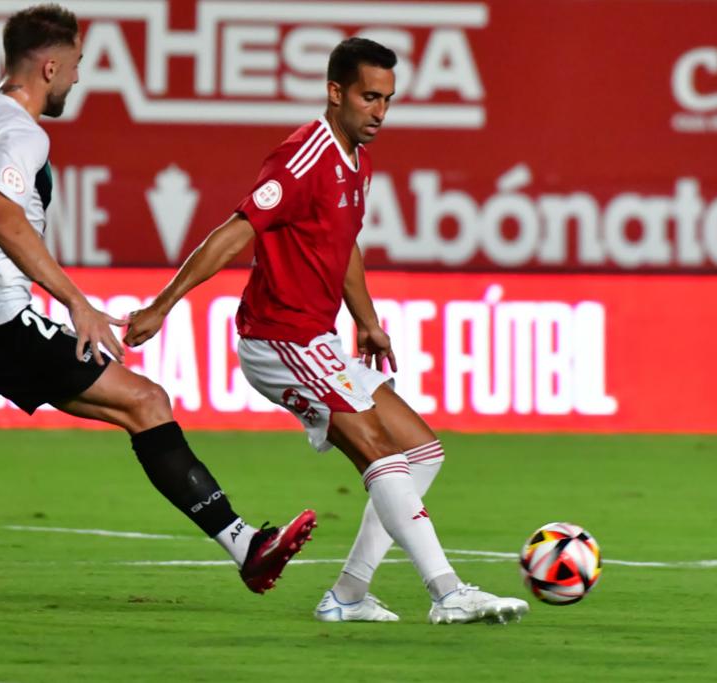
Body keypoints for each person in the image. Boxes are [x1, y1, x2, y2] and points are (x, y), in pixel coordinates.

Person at [0, 3, 315, 595]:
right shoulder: (23, 132)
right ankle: (246, 545)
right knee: (146, 401)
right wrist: (76, 302)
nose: (77, 78)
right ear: (48, 67)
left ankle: (246, 544)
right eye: (74, 66)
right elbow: (3, 219)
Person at [125, 37, 528, 624]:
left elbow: (343, 244)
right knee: (379, 453)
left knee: (421, 451)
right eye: (369, 97)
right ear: (335, 92)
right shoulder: (302, 158)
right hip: (280, 340)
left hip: (319, 338)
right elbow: (237, 232)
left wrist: (367, 321)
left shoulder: (355, 160)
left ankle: (348, 596)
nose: (380, 112)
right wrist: (163, 305)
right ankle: (448, 592)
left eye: (388, 100)